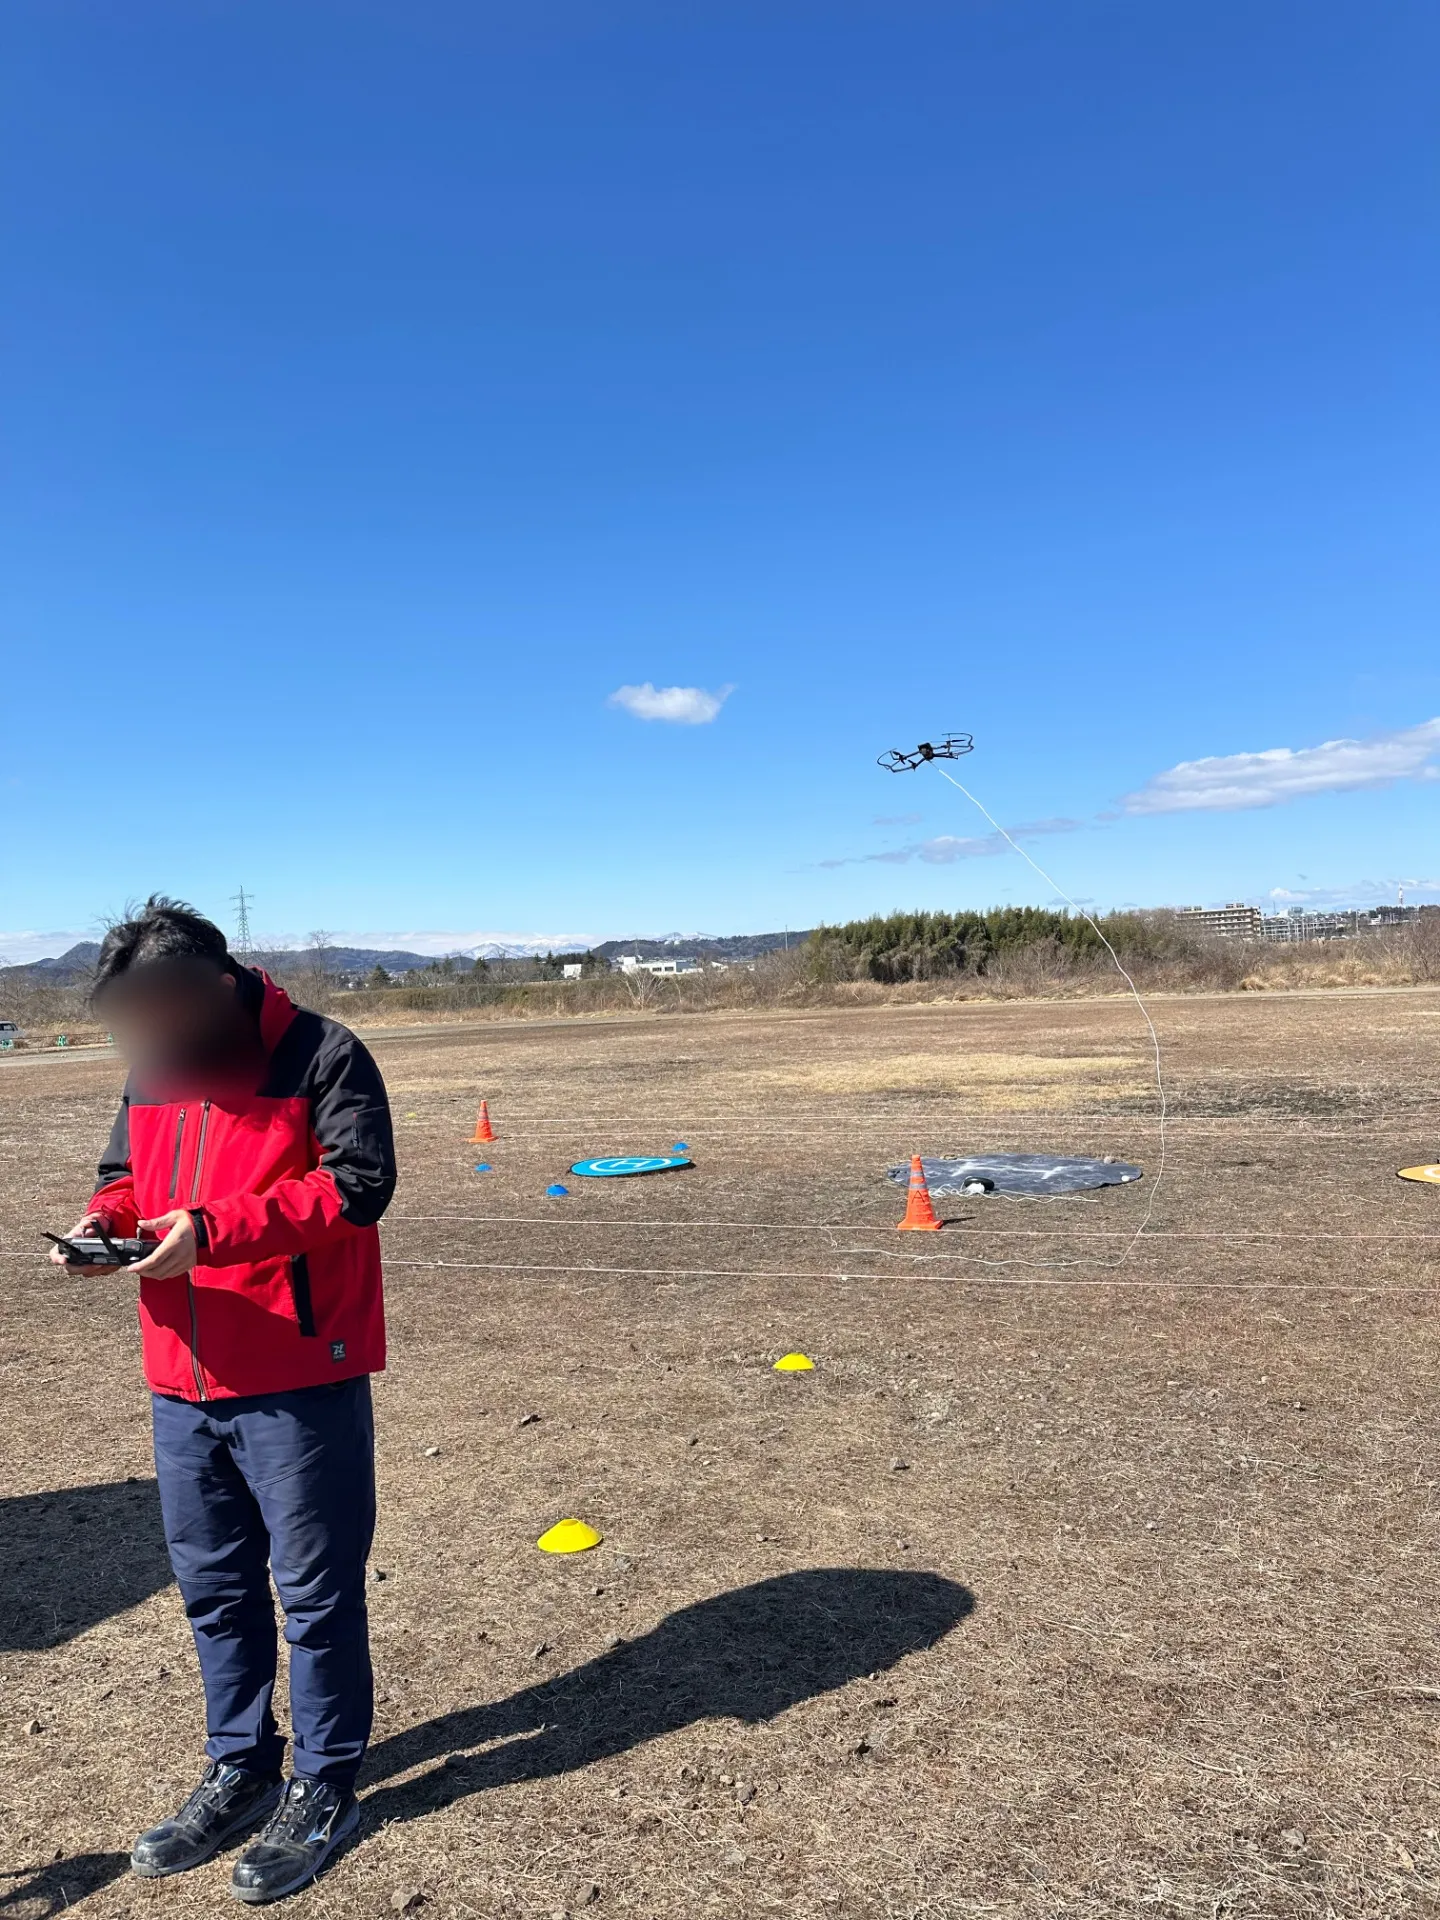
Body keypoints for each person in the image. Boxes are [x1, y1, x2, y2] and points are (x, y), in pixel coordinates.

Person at [50, 897, 397, 1904]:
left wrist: (214, 1229)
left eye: (156, 1013)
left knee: (317, 1592)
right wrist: (101, 1224)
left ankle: (327, 1784)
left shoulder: (324, 1054)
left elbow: (359, 1187)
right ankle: (240, 1765)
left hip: (296, 1373)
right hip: (180, 1377)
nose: (144, 1038)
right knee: (215, 1587)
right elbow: (124, 1177)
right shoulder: (156, 1064)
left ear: (211, 986)